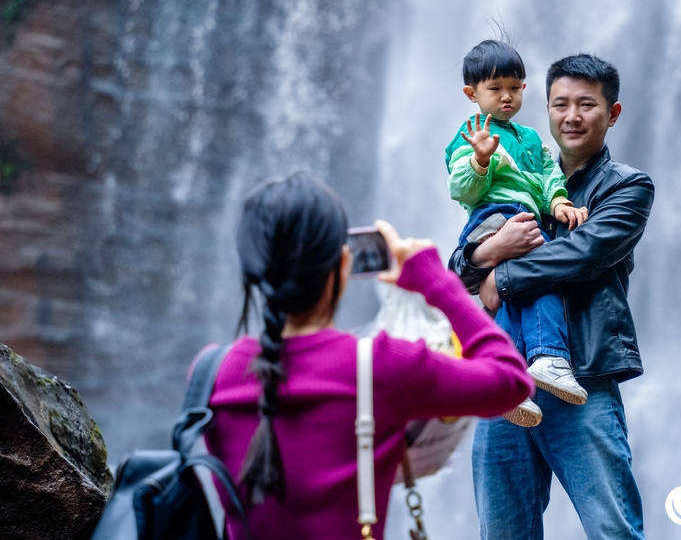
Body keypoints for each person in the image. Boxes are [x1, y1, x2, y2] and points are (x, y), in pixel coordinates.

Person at [197, 172, 533, 540]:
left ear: (252, 271)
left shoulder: (210, 373)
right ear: (342, 265)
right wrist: (434, 279)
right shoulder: (381, 367)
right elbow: (511, 380)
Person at [449, 54, 654, 539]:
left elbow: (581, 254)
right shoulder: (513, 177)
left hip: (582, 382)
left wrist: (500, 275)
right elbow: (458, 272)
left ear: (614, 112)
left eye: (587, 104)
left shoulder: (626, 188)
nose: (572, 115)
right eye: (560, 104)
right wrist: (485, 256)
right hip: (507, 390)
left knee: (613, 531)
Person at [445, 39, 590, 427]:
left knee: (514, 291)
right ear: (471, 94)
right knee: (541, 276)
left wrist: (558, 202)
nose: (506, 97)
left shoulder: (531, 140)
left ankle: (502, 379)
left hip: (527, 217)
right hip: (496, 217)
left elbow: (549, 175)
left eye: (514, 87)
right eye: (495, 89)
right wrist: (480, 158)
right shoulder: (473, 134)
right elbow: (463, 191)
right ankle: (548, 356)